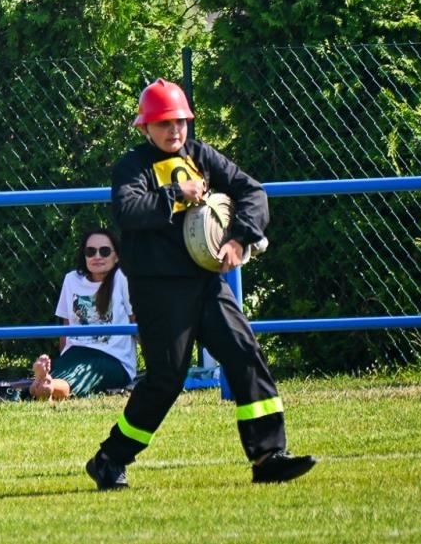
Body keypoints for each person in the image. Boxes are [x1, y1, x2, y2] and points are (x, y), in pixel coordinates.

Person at [85, 79, 316, 490]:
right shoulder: (132, 166)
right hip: (159, 291)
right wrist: (177, 193)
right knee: (166, 379)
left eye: (180, 122)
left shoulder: (202, 155)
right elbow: (128, 211)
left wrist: (239, 237)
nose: (174, 131)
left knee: (244, 352)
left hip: (208, 284)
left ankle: (268, 456)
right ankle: (109, 459)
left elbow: (252, 191)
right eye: (163, 124)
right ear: (144, 128)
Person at [32, 227, 136, 401]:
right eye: (90, 251)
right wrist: (64, 356)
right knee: (62, 369)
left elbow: (136, 322)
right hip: (76, 352)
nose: (97, 256)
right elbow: (66, 328)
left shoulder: (122, 278)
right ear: (84, 255)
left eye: (104, 251)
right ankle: (42, 384)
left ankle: (47, 386)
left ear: (116, 256)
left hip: (111, 358)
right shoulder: (71, 280)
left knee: (82, 375)